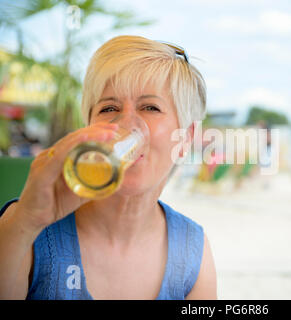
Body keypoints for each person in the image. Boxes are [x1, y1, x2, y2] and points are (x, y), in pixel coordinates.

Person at [0, 35, 217, 300]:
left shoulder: (192, 250)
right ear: (88, 128)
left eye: (150, 107)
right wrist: (26, 221)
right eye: (108, 108)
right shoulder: (24, 229)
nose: (126, 124)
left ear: (185, 139)